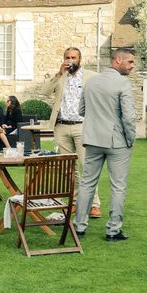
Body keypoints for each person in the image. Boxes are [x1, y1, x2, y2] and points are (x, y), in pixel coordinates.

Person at [75, 48, 136, 242]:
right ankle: (113, 230)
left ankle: (79, 227)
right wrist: (130, 139)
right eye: (130, 62)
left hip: (92, 140)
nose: (132, 67)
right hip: (117, 142)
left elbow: (81, 110)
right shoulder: (123, 83)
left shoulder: (91, 82)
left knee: (87, 183)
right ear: (118, 60)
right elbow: (128, 118)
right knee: (118, 186)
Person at [43, 47, 101, 218]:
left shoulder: (91, 76)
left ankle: (94, 204)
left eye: (73, 57)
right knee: (68, 169)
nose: (70, 61)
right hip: (61, 126)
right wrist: (58, 74)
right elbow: (45, 92)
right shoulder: (61, 77)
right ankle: (74, 202)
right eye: (67, 57)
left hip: (83, 126)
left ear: (80, 59)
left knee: (87, 166)